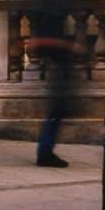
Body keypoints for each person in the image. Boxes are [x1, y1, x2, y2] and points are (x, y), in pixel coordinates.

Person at [32, 14, 78, 168]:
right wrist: (65, 46)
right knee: (56, 111)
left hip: (58, 63)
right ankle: (45, 152)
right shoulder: (50, 4)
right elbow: (43, 40)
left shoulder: (52, 2)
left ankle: (45, 151)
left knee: (57, 111)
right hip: (57, 63)